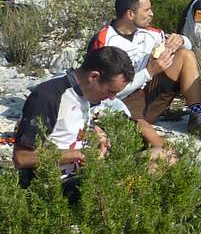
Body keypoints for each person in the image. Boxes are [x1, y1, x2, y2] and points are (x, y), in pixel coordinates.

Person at [89, 0, 201, 143]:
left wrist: (180, 40)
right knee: (146, 136)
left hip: (147, 93)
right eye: (146, 10)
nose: (151, 14)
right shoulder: (105, 41)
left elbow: (187, 45)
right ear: (130, 14)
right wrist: (148, 72)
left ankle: (197, 117)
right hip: (118, 101)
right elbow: (102, 90)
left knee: (185, 55)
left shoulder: (149, 33)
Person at [13, 47, 138, 188]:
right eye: (110, 91)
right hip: (50, 187)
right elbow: (22, 157)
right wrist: (80, 154)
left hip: (78, 176)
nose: (111, 98)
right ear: (93, 77)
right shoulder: (48, 97)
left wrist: (98, 139)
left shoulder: (85, 96)